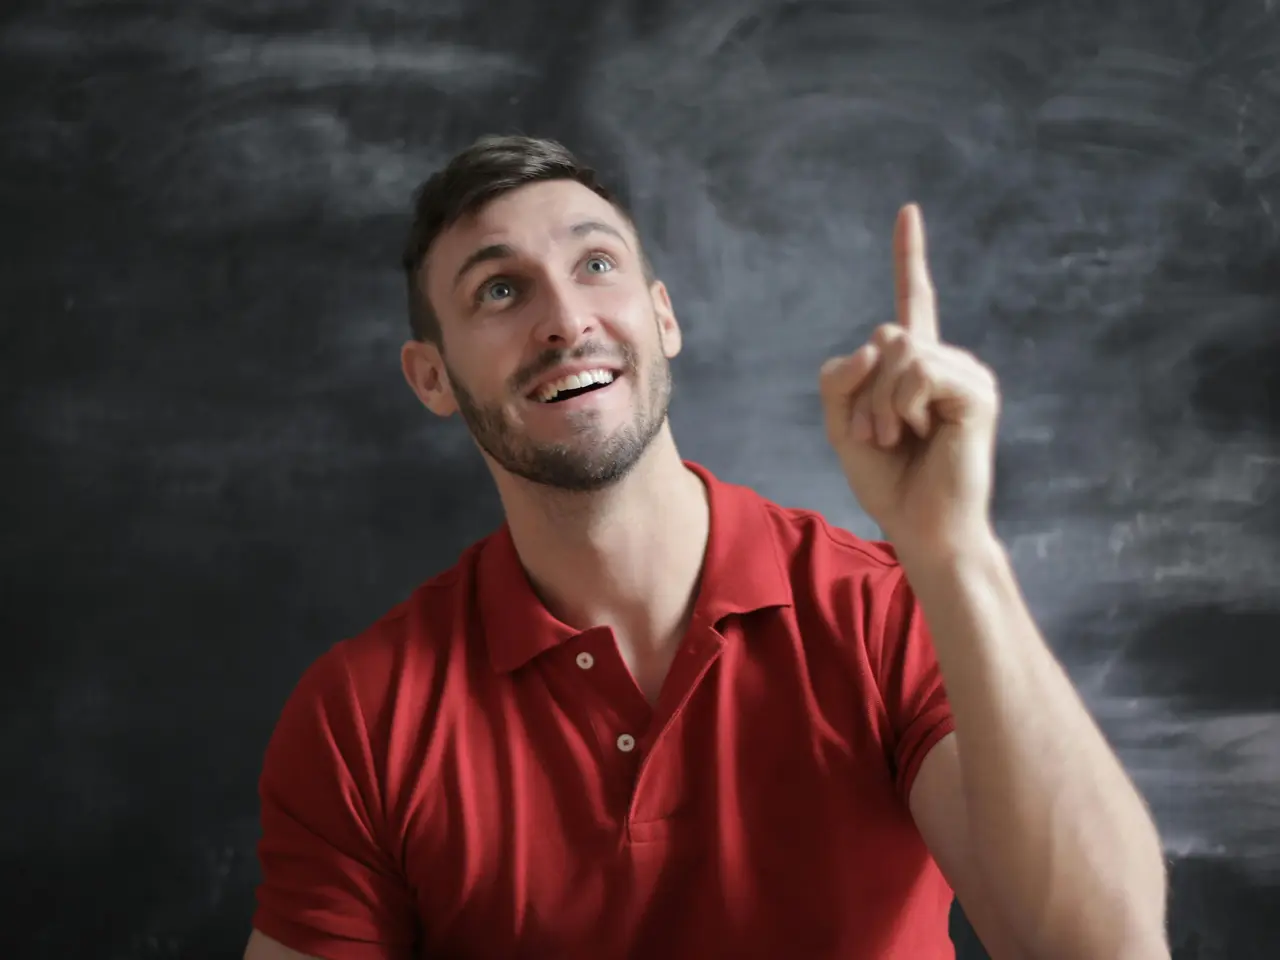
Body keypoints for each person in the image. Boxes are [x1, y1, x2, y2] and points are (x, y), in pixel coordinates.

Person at [243, 135, 1169, 960]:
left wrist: (956, 550)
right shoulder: (360, 717)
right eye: (500, 290)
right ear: (432, 378)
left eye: (595, 264)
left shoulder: (891, 611)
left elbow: (1105, 951)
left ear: (664, 319)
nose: (565, 319)